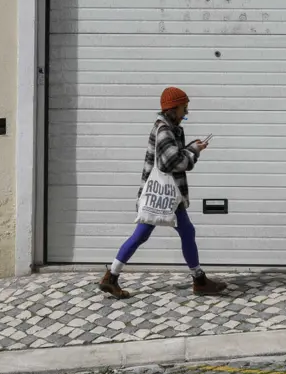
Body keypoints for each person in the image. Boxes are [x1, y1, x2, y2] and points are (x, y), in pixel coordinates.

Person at [98, 87, 228, 298]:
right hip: (165, 196)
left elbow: (171, 155)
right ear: (173, 108)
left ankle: (111, 276)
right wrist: (194, 151)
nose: (186, 112)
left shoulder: (170, 128)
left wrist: (190, 146)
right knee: (170, 233)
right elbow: (171, 162)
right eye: (183, 108)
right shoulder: (164, 130)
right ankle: (199, 281)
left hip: (164, 196)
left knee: (157, 234)